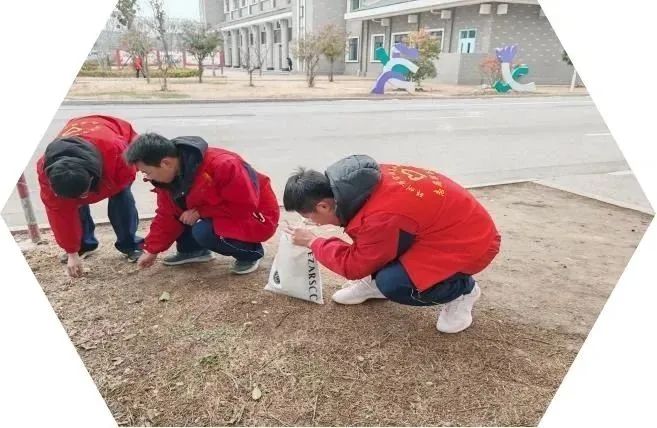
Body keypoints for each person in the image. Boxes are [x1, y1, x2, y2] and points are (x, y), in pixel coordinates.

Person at [283, 155, 501, 333]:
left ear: (323, 206)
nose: (313, 223)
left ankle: (463, 291)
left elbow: (353, 265)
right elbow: (375, 238)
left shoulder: (378, 216)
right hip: (445, 227)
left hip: (471, 244)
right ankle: (374, 281)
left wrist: (313, 241)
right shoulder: (357, 184)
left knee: (395, 284)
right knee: (380, 242)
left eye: (310, 217)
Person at [124, 133, 279, 274]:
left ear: (165, 163)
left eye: (147, 172)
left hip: (256, 214)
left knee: (203, 230)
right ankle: (193, 250)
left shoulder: (223, 164)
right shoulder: (167, 179)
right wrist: (151, 250)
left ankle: (250, 253)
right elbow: (166, 214)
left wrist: (201, 212)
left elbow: (243, 206)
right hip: (221, 210)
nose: (147, 178)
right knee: (180, 209)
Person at [37, 115, 144, 277]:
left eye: (83, 193)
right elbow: (59, 214)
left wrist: (106, 189)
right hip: (82, 134)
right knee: (71, 205)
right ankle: (84, 246)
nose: (82, 198)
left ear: (92, 177)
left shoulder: (117, 151)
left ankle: (130, 244)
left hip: (114, 140)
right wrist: (71, 252)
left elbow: (127, 175)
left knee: (121, 199)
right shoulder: (47, 172)